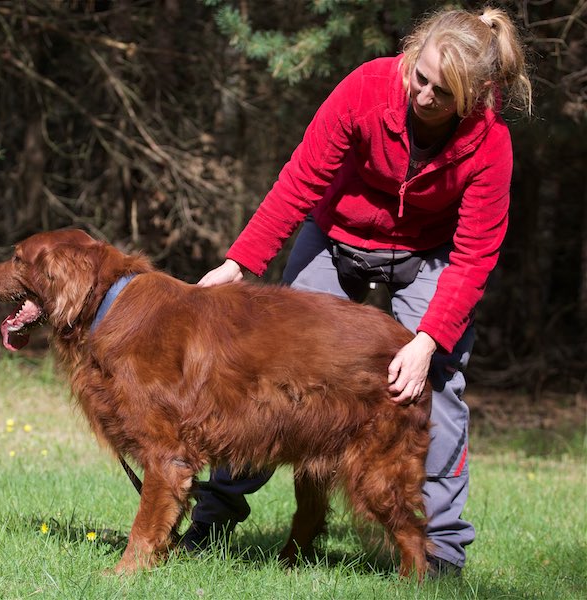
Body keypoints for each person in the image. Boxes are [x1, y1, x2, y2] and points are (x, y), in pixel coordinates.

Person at [181, 6, 533, 578]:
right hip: (336, 237)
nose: (422, 95)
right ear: (411, 55)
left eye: (442, 93)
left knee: (435, 384)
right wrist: (239, 262)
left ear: (474, 97)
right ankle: (214, 518)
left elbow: (474, 258)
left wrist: (426, 342)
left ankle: (440, 550)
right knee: (269, 369)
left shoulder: (490, 144)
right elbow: (300, 181)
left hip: (427, 255)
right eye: (420, 76)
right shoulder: (367, 88)